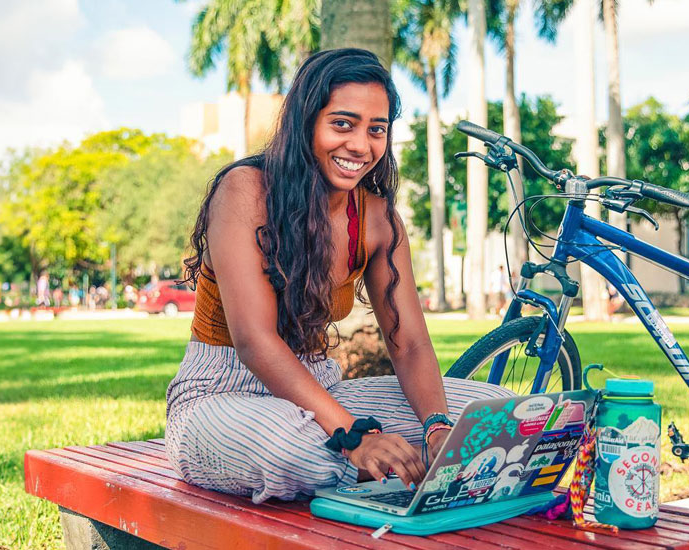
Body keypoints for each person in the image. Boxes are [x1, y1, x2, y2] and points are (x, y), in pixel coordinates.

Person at [165, 49, 514, 504]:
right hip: (217, 397)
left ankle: (418, 471)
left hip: (320, 388)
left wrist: (437, 429)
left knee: (493, 413)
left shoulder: (377, 217)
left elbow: (408, 342)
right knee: (302, 453)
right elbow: (255, 341)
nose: (360, 145)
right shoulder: (245, 190)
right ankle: (413, 478)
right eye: (343, 124)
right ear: (305, 123)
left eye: (377, 130)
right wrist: (352, 436)